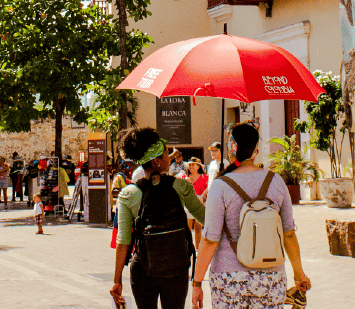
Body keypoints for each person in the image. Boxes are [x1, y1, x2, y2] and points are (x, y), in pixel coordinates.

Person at [192, 122, 311, 309]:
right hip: (270, 276)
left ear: (232, 148)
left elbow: (210, 240)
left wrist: (197, 282)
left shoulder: (220, 186)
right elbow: (288, 234)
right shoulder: (276, 181)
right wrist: (299, 275)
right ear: (255, 149)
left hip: (228, 277)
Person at [109, 127, 206, 309]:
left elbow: (123, 240)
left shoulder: (129, 194)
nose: (169, 158)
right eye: (166, 154)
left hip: (143, 270)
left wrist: (117, 280)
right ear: (156, 161)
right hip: (176, 269)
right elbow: (206, 219)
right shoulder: (180, 187)